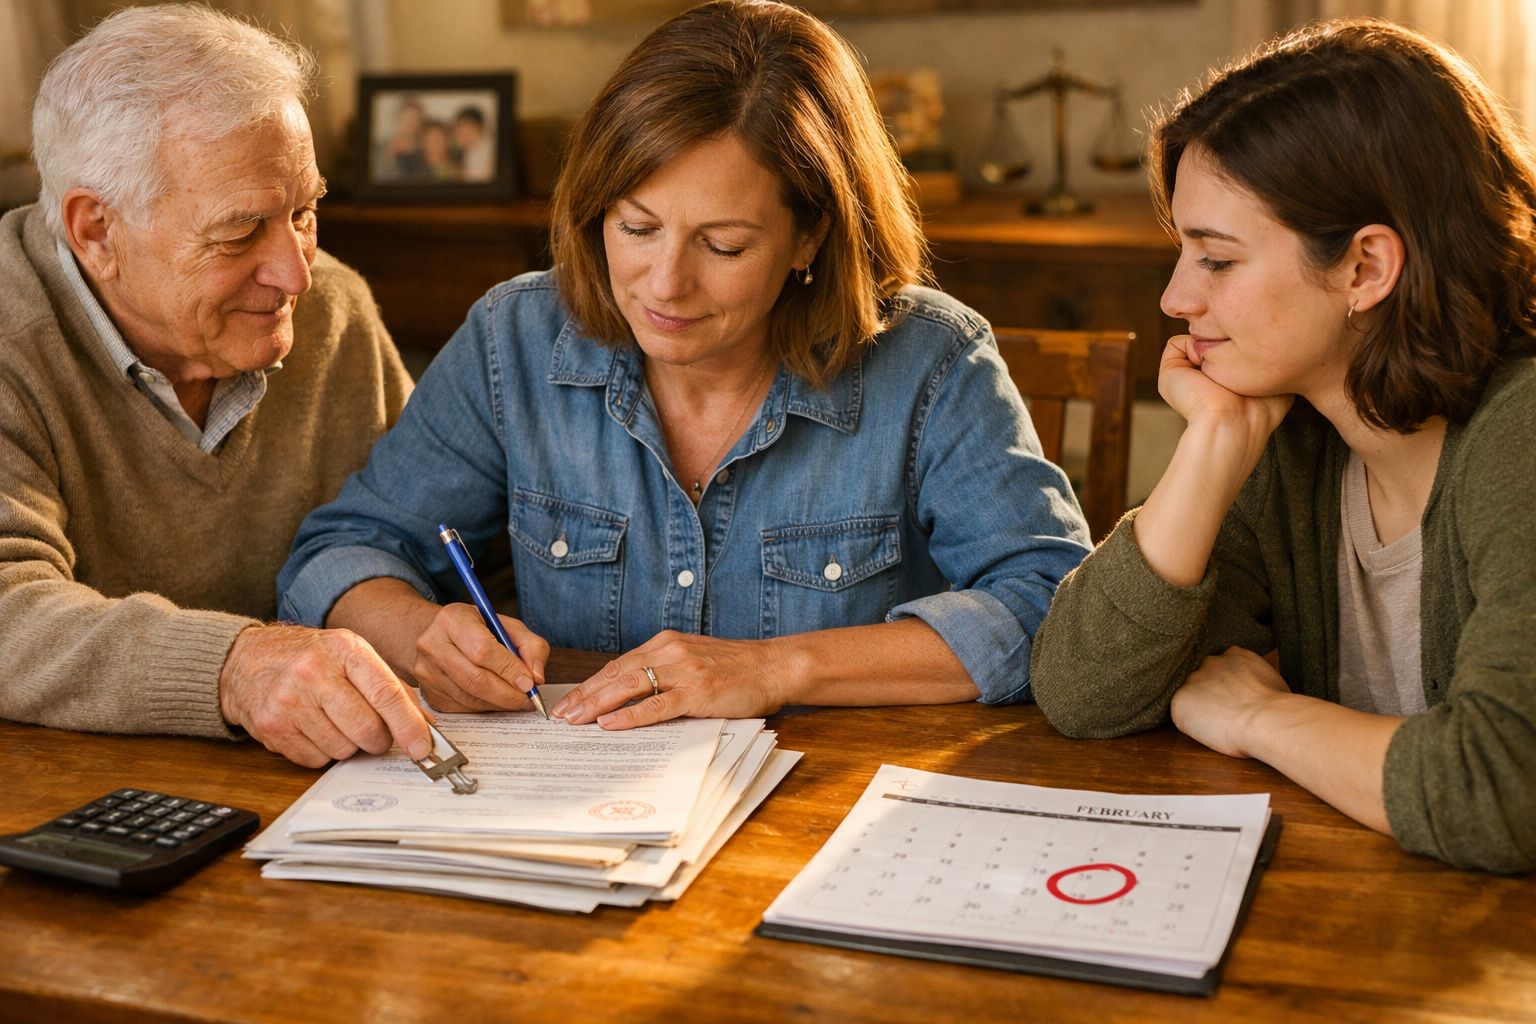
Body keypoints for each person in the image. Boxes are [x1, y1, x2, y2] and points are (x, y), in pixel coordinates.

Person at [279, 0, 1090, 729]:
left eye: (724, 244)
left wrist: (776, 668)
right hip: (580, 815)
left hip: (833, 816)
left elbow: (1056, 613)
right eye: (636, 229)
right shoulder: (515, 338)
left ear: (811, 237)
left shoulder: (931, 361)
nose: (665, 285)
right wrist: (422, 635)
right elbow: (339, 557)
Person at [1030, 18, 1536, 872]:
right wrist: (1211, 444)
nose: (1174, 297)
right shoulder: (1294, 436)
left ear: (1366, 269)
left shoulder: (1518, 438)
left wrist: (1259, 719)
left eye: (1216, 260)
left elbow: (1500, 792)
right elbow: (1085, 691)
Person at [2, 5, 436, 768]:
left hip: (325, 787)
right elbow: (9, 611)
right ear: (97, 230)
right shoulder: (15, 341)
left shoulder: (331, 309)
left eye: (303, 212)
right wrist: (233, 667)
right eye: (239, 234)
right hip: (68, 796)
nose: (297, 273)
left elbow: (427, 541)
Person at [453, 106, 494, 182]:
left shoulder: (488, 152)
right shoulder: (468, 152)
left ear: (481, 129)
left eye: (468, 132)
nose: (464, 138)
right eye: (460, 133)